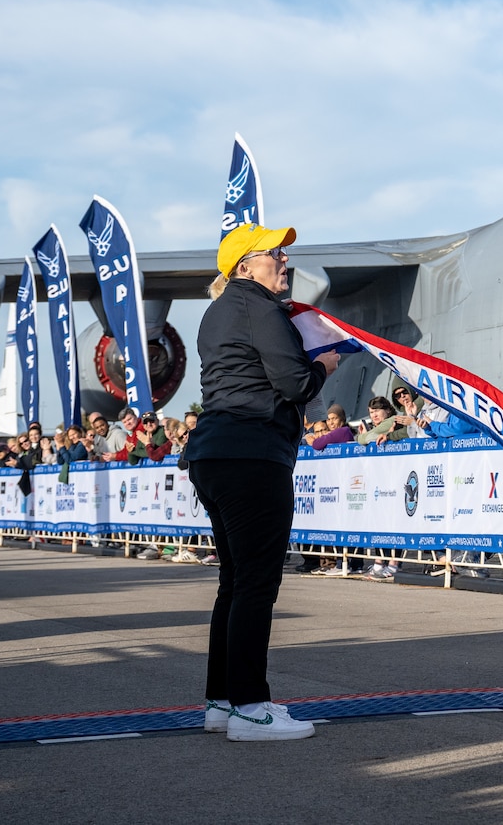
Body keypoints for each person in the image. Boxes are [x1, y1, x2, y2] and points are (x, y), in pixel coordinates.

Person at [184, 222, 336, 742]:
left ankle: (224, 701)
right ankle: (251, 707)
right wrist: (326, 364)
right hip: (251, 453)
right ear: (245, 266)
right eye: (276, 253)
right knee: (255, 583)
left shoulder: (218, 311)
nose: (285, 260)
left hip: (215, 451)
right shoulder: (258, 306)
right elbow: (293, 382)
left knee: (235, 582)